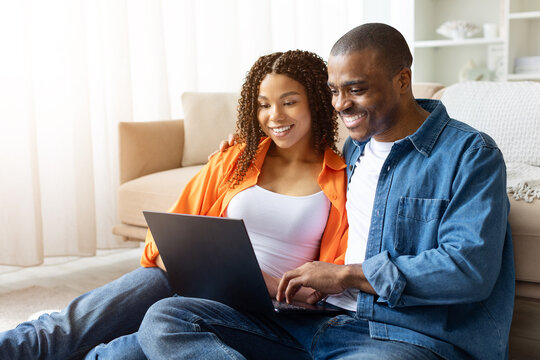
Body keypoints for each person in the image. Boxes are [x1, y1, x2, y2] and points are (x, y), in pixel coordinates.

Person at [137, 23, 515, 360]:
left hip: (401, 337)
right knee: (167, 318)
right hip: (313, 320)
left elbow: (468, 270)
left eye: (356, 89)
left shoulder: (470, 155)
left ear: (402, 80)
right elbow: (294, 148)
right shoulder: (353, 149)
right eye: (334, 91)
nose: (340, 104)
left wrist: (345, 276)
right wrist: (248, 145)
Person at [0, 50, 349, 359]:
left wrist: (277, 286)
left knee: (113, 356)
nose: (274, 116)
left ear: (316, 102)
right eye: (263, 104)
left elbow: (329, 282)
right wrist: (186, 260)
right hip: (190, 279)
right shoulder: (236, 159)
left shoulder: (341, 176)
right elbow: (164, 236)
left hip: (264, 310)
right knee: (68, 327)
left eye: (289, 102)